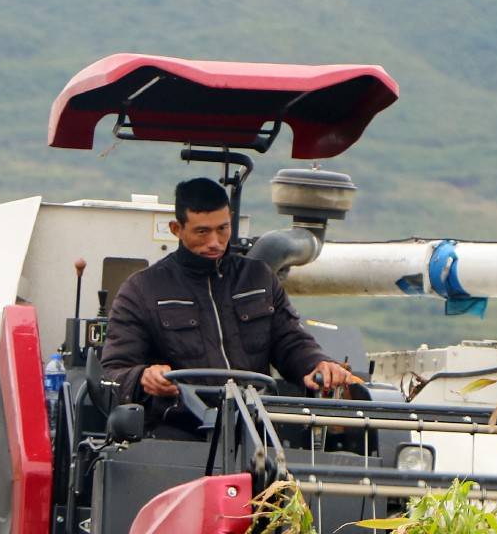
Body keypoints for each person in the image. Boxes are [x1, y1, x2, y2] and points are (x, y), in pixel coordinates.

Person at [101, 177, 361, 417]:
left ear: (231, 221)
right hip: (177, 432)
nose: (215, 241)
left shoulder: (259, 277)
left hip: (257, 425)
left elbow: (290, 341)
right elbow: (113, 372)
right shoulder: (142, 289)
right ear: (176, 229)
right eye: (202, 232)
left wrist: (318, 363)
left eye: (222, 228)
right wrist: (142, 377)